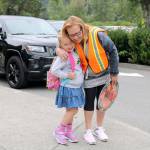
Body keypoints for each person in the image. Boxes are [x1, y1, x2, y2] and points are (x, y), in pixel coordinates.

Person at [56, 16, 119, 145]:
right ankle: (88, 130)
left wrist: (114, 73)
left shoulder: (98, 34)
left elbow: (113, 51)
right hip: (88, 78)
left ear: (82, 27)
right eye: (72, 35)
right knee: (89, 103)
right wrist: (57, 49)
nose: (75, 37)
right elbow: (61, 42)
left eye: (78, 33)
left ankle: (99, 128)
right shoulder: (71, 39)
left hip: (104, 74)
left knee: (102, 103)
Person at [51, 32, 85, 145]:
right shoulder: (63, 56)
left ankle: (68, 131)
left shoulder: (74, 53)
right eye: (66, 44)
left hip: (75, 88)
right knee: (73, 110)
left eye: (71, 43)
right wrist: (67, 75)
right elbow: (54, 70)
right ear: (60, 46)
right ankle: (59, 131)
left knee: (70, 111)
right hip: (69, 87)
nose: (69, 46)